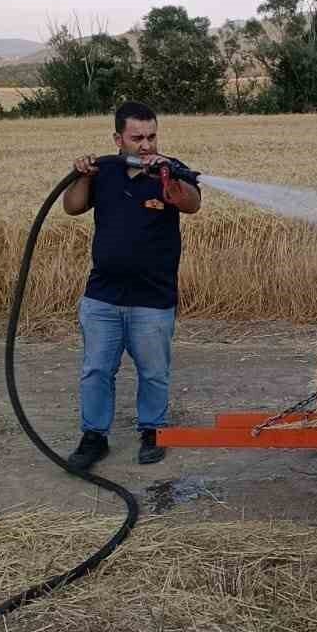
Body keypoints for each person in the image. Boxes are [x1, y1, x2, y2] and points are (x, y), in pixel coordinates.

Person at [62, 100, 201, 471]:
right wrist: (82, 175)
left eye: (152, 136)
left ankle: (153, 431)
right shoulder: (104, 172)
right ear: (118, 138)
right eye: (137, 137)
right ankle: (94, 437)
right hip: (103, 296)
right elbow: (72, 207)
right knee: (96, 369)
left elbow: (191, 203)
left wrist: (168, 177)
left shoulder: (171, 171)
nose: (146, 145)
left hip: (153, 299)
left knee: (154, 371)